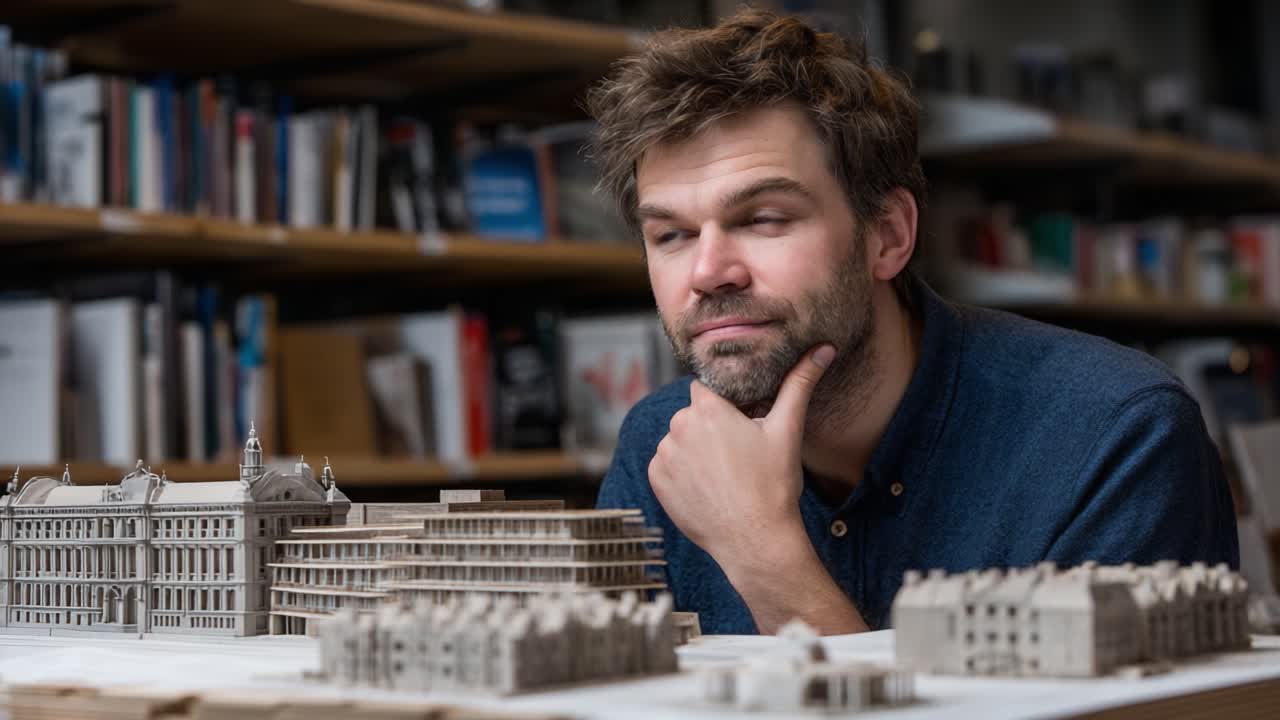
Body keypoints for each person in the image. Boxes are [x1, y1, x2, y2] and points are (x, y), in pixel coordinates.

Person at [585, 9, 1239, 636]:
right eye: (670, 234)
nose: (708, 271)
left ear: (888, 236)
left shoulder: (1114, 437)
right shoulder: (661, 446)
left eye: (763, 219)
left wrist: (762, 553)